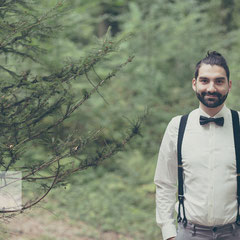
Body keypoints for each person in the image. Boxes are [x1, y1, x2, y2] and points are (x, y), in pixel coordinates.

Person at [154, 51, 240, 240]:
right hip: (189, 233)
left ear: (229, 85)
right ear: (194, 84)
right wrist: (168, 232)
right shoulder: (178, 126)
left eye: (219, 81)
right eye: (204, 80)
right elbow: (165, 183)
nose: (211, 88)